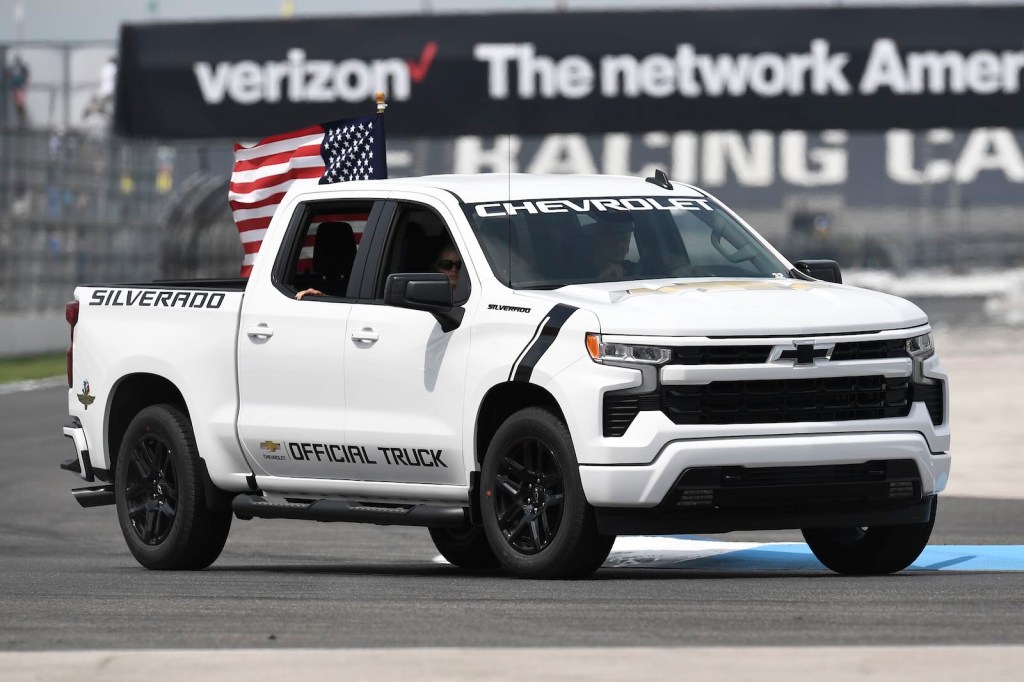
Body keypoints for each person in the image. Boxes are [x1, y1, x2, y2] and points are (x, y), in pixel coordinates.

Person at [8, 54, 29, 129]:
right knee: (17, 106)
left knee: (20, 105)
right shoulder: (13, 68)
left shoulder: (22, 68)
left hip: (19, 88)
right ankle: (20, 121)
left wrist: (24, 83)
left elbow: (26, 75)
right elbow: (8, 75)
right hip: (15, 88)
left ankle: (22, 121)